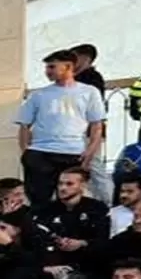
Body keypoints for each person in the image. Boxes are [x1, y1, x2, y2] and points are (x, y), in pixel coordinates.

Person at [13, 50, 107, 209]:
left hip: (73, 153)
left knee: (71, 200)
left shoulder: (89, 92)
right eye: (47, 67)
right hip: (41, 153)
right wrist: (26, 153)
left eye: (52, 67)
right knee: (39, 201)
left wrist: (90, 152)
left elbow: (97, 125)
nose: (47, 71)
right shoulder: (38, 95)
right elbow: (24, 125)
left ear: (68, 66)